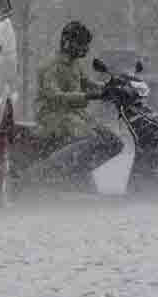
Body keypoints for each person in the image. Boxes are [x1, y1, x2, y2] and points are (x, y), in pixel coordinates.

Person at [24, 21, 124, 192]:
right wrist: (86, 96)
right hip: (54, 116)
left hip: (76, 116)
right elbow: (55, 97)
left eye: (86, 45)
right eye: (81, 44)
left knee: (113, 141)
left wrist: (110, 87)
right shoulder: (50, 66)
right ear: (67, 42)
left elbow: (88, 84)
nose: (84, 49)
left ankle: (77, 169)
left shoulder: (75, 64)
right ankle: (42, 174)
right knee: (90, 137)